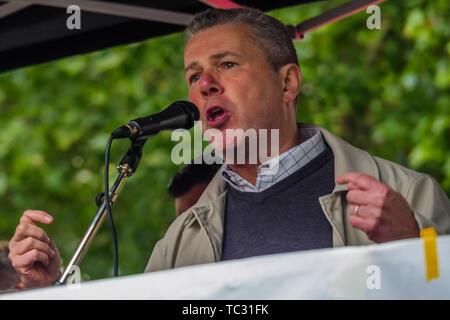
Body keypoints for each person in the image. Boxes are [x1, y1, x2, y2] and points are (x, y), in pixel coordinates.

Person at [8, 7, 450, 287]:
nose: (204, 85)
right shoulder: (182, 236)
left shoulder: (405, 193)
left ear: (287, 82)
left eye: (227, 64)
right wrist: (46, 291)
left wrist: (411, 245)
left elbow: (440, 282)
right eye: (193, 75)